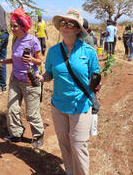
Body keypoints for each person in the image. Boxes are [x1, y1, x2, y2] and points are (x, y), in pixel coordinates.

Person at [38, 9, 100, 175]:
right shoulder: (53, 51)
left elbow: (96, 75)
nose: (65, 26)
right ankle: (70, 172)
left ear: (78, 29)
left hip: (80, 106)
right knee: (64, 144)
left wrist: (95, 86)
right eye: (63, 23)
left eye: (70, 23)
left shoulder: (88, 51)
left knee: (79, 145)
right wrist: (41, 78)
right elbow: (49, 73)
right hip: (58, 105)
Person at [1, 7, 44, 148]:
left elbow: (40, 61)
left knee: (31, 114)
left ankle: (38, 135)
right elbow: (15, 59)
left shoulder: (33, 40)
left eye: (15, 26)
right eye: (11, 26)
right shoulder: (15, 40)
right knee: (12, 109)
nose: (12, 28)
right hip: (15, 79)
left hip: (30, 81)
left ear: (23, 26)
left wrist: (31, 59)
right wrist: (4, 62)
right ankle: (16, 133)